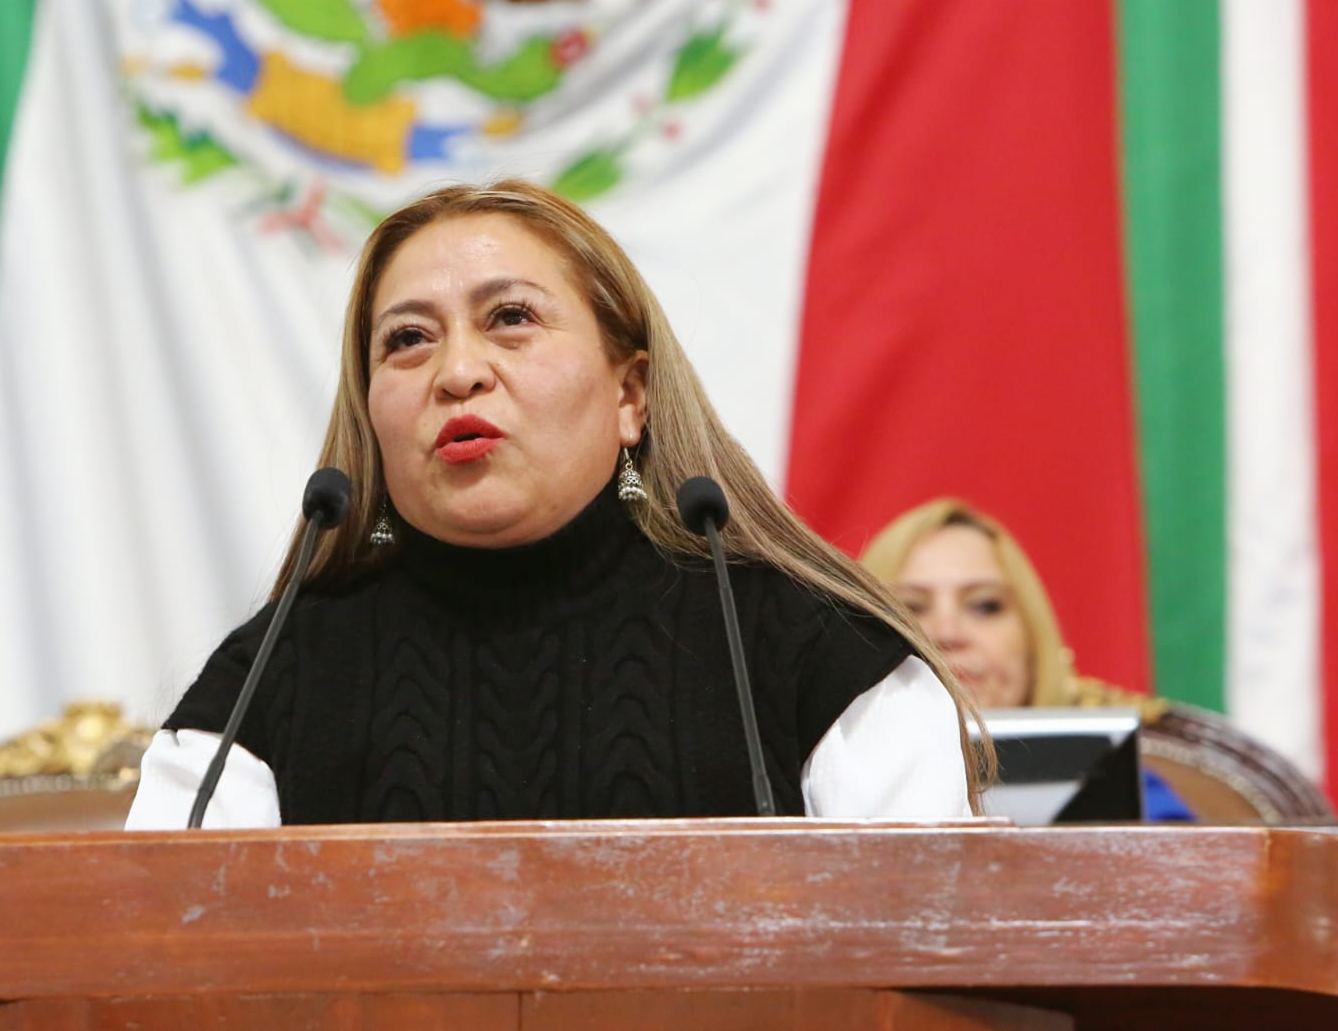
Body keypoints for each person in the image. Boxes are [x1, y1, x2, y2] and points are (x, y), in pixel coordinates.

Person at [126, 181, 988, 830]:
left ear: (630, 395)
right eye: (408, 339)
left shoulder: (809, 651)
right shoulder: (268, 684)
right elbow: (155, 958)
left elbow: (927, 950)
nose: (458, 372)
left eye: (510, 318)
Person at [860, 498, 1192, 820]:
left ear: (1033, 641)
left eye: (984, 605)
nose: (947, 633)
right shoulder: (828, 788)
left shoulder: (1140, 800)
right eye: (910, 608)